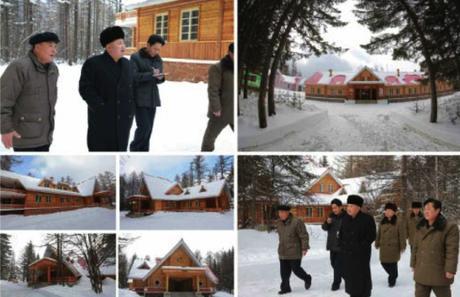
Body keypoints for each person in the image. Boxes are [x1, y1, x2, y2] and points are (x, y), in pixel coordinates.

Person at [1, 32, 60, 151]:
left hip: (45, 136)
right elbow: (3, 101)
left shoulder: (53, 69)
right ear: (37, 47)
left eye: (55, 46)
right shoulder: (19, 67)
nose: (54, 50)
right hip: (24, 138)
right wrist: (6, 129)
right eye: (50, 45)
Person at [79, 26, 134, 151]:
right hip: (103, 120)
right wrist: (101, 107)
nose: (123, 46)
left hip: (124, 121)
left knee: (120, 150)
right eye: (119, 43)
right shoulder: (93, 63)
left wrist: (132, 109)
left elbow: (132, 88)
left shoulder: (127, 64)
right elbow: (85, 89)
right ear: (108, 46)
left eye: (123, 42)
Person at [411, 198, 459, 297]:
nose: (426, 211)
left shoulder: (449, 227)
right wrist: (413, 263)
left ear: (437, 210)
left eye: (429, 209)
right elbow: (415, 247)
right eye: (424, 209)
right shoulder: (420, 226)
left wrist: (450, 269)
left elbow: (452, 250)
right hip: (421, 272)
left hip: (439, 273)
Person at [129, 34, 165, 151]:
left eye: (159, 49)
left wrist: (161, 78)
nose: (157, 51)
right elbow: (133, 77)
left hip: (152, 98)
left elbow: (158, 78)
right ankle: (135, 149)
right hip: (139, 98)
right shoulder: (135, 57)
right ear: (148, 45)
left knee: (149, 129)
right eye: (155, 48)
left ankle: (144, 150)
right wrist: (151, 75)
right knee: (144, 127)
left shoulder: (158, 59)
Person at [339, 194, 376, 297]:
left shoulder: (367, 219)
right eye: (348, 205)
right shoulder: (345, 219)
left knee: (362, 282)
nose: (348, 208)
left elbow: (371, 236)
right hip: (347, 256)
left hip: (361, 257)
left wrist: (360, 247)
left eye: (351, 206)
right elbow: (341, 235)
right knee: (351, 282)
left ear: (358, 207)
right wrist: (341, 246)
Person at [201, 43, 234, 151]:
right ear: (230, 53)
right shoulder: (217, 68)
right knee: (208, 140)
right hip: (221, 112)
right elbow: (213, 90)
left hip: (234, 112)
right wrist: (216, 108)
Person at [276, 204, 312, 295]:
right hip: (283, 251)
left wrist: (304, 247)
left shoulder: (297, 222)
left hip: (294, 251)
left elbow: (304, 236)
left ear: (288, 212)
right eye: (279, 212)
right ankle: (286, 288)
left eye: (283, 212)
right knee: (284, 272)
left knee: (296, 269)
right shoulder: (279, 223)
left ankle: (307, 278)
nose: (280, 214)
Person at [375, 202, 406, 287]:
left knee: (393, 264)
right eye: (386, 210)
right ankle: (394, 274)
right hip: (384, 247)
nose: (387, 212)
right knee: (383, 263)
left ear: (394, 212)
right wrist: (377, 242)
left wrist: (403, 245)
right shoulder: (382, 222)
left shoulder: (398, 222)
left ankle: (392, 279)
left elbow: (402, 235)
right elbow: (379, 233)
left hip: (393, 247)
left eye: (389, 210)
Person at [321, 198, 346, 291]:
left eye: (335, 207)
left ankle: (336, 283)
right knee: (333, 264)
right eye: (333, 208)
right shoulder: (331, 216)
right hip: (332, 245)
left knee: (337, 265)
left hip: (341, 245)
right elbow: (324, 228)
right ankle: (348, 278)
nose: (334, 210)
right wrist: (327, 223)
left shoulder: (346, 217)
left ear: (340, 207)